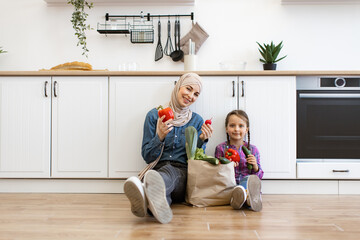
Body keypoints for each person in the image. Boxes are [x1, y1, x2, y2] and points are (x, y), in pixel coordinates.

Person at [123, 73, 213, 224]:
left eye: (196, 94)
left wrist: (202, 140)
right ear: (178, 87)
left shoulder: (197, 120)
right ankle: (153, 205)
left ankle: (146, 191)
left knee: (169, 173)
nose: (191, 96)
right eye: (188, 89)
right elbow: (147, 156)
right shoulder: (154, 116)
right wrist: (159, 136)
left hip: (182, 175)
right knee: (162, 190)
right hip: (156, 168)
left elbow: (195, 161)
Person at [215, 109, 264, 212]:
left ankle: (247, 197)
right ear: (226, 129)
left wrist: (255, 165)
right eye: (232, 125)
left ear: (246, 130)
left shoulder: (253, 149)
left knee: (250, 181)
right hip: (229, 185)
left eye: (241, 126)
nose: (236, 129)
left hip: (248, 185)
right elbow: (217, 173)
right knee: (233, 189)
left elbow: (259, 176)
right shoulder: (221, 148)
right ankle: (245, 198)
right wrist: (228, 167)